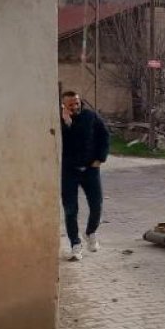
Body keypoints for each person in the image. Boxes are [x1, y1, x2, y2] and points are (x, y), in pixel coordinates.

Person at [60, 90, 109, 261]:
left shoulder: (91, 116)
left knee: (97, 205)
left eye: (77, 102)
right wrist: (67, 123)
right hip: (69, 171)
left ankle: (90, 232)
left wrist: (100, 158)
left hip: (90, 169)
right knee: (71, 210)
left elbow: (104, 135)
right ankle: (75, 244)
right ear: (64, 106)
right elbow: (63, 143)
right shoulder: (59, 122)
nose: (75, 106)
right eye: (71, 104)